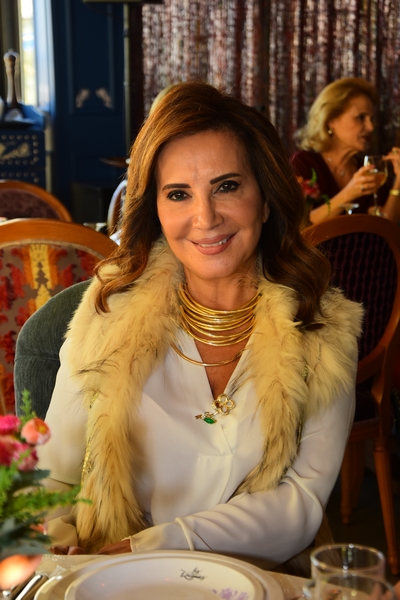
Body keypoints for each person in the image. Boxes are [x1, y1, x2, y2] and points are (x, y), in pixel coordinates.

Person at [32, 82, 362, 571]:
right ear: (156, 209)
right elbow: (53, 480)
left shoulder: (323, 328)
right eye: (179, 194)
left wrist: (152, 548)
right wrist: (59, 550)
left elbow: (302, 500)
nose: (205, 218)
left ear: (265, 199)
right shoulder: (109, 311)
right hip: (113, 580)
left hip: (253, 582)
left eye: (227, 186)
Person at [291, 77, 400, 224]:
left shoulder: (368, 170)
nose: (371, 127)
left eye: (371, 119)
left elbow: (382, 227)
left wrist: (399, 181)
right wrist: (350, 193)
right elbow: (298, 226)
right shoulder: (303, 163)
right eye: (361, 117)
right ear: (331, 120)